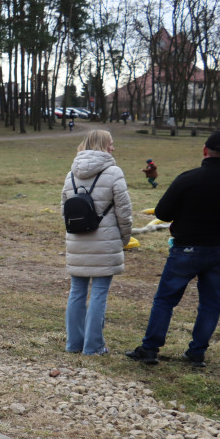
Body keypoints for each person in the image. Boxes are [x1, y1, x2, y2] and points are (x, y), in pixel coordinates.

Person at [126, 130, 220, 367]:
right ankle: (197, 353)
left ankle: (149, 349)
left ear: (204, 150)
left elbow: (161, 213)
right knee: (211, 304)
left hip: (185, 249)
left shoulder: (187, 179)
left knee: (165, 300)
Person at [60, 129, 133, 356]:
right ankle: (93, 347)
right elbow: (124, 211)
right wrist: (124, 239)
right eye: (110, 143)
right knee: (99, 293)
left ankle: (74, 344)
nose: (113, 147)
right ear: (103, 145)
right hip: (106, 242)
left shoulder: (70, 174)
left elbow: (64, 211)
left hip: (77, 241)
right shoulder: (113, 172)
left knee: (77, 292)